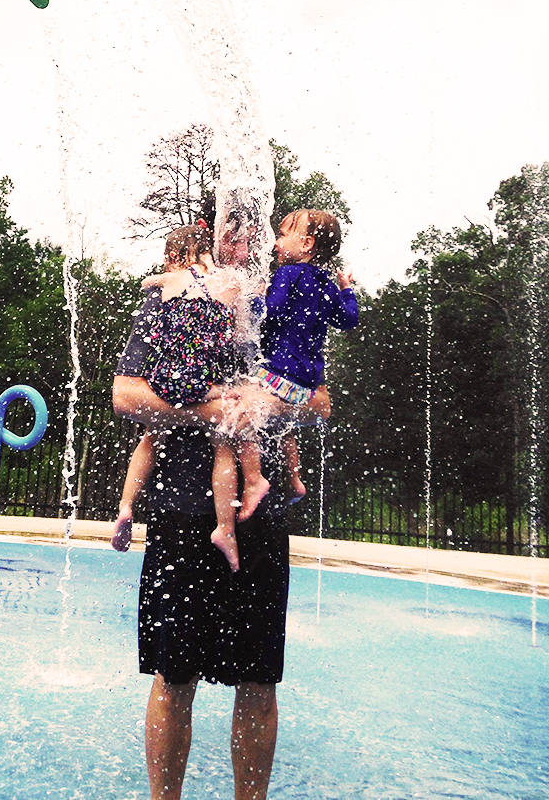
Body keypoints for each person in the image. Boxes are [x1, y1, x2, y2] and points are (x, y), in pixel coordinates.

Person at [112, 282, 331, 800]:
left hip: (262, 521)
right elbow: (126, 395)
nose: (240, 238)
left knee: (258, 682)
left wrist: (264, 405)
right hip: (180, 517)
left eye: (247, 226)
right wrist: (208, 413)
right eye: (228, 227)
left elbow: (319, 403)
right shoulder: (170, 302)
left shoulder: (283, 303)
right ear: (211, 233)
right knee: (173, 676)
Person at [111, 224, 268, 572]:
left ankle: (125, 506)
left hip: (165, 380)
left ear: (172, 258)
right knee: (225, 435)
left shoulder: (166, 284)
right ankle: (225, 527)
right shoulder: (226, 286)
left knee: (152, 436)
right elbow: (239, 320)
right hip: (199, 382)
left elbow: (147, 283)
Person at [236, 209, 358, 518]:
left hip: (280, 371)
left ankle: (254, 480)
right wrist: (347, 289)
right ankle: (294, 479)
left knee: (242, 411)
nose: (275, 242)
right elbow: (347, 319)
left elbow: (271, 313)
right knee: (283, 424)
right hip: (307, 383)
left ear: (306, 244)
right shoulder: (327, 284)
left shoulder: (287, 274)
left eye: (281, 235)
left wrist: (253, 298)